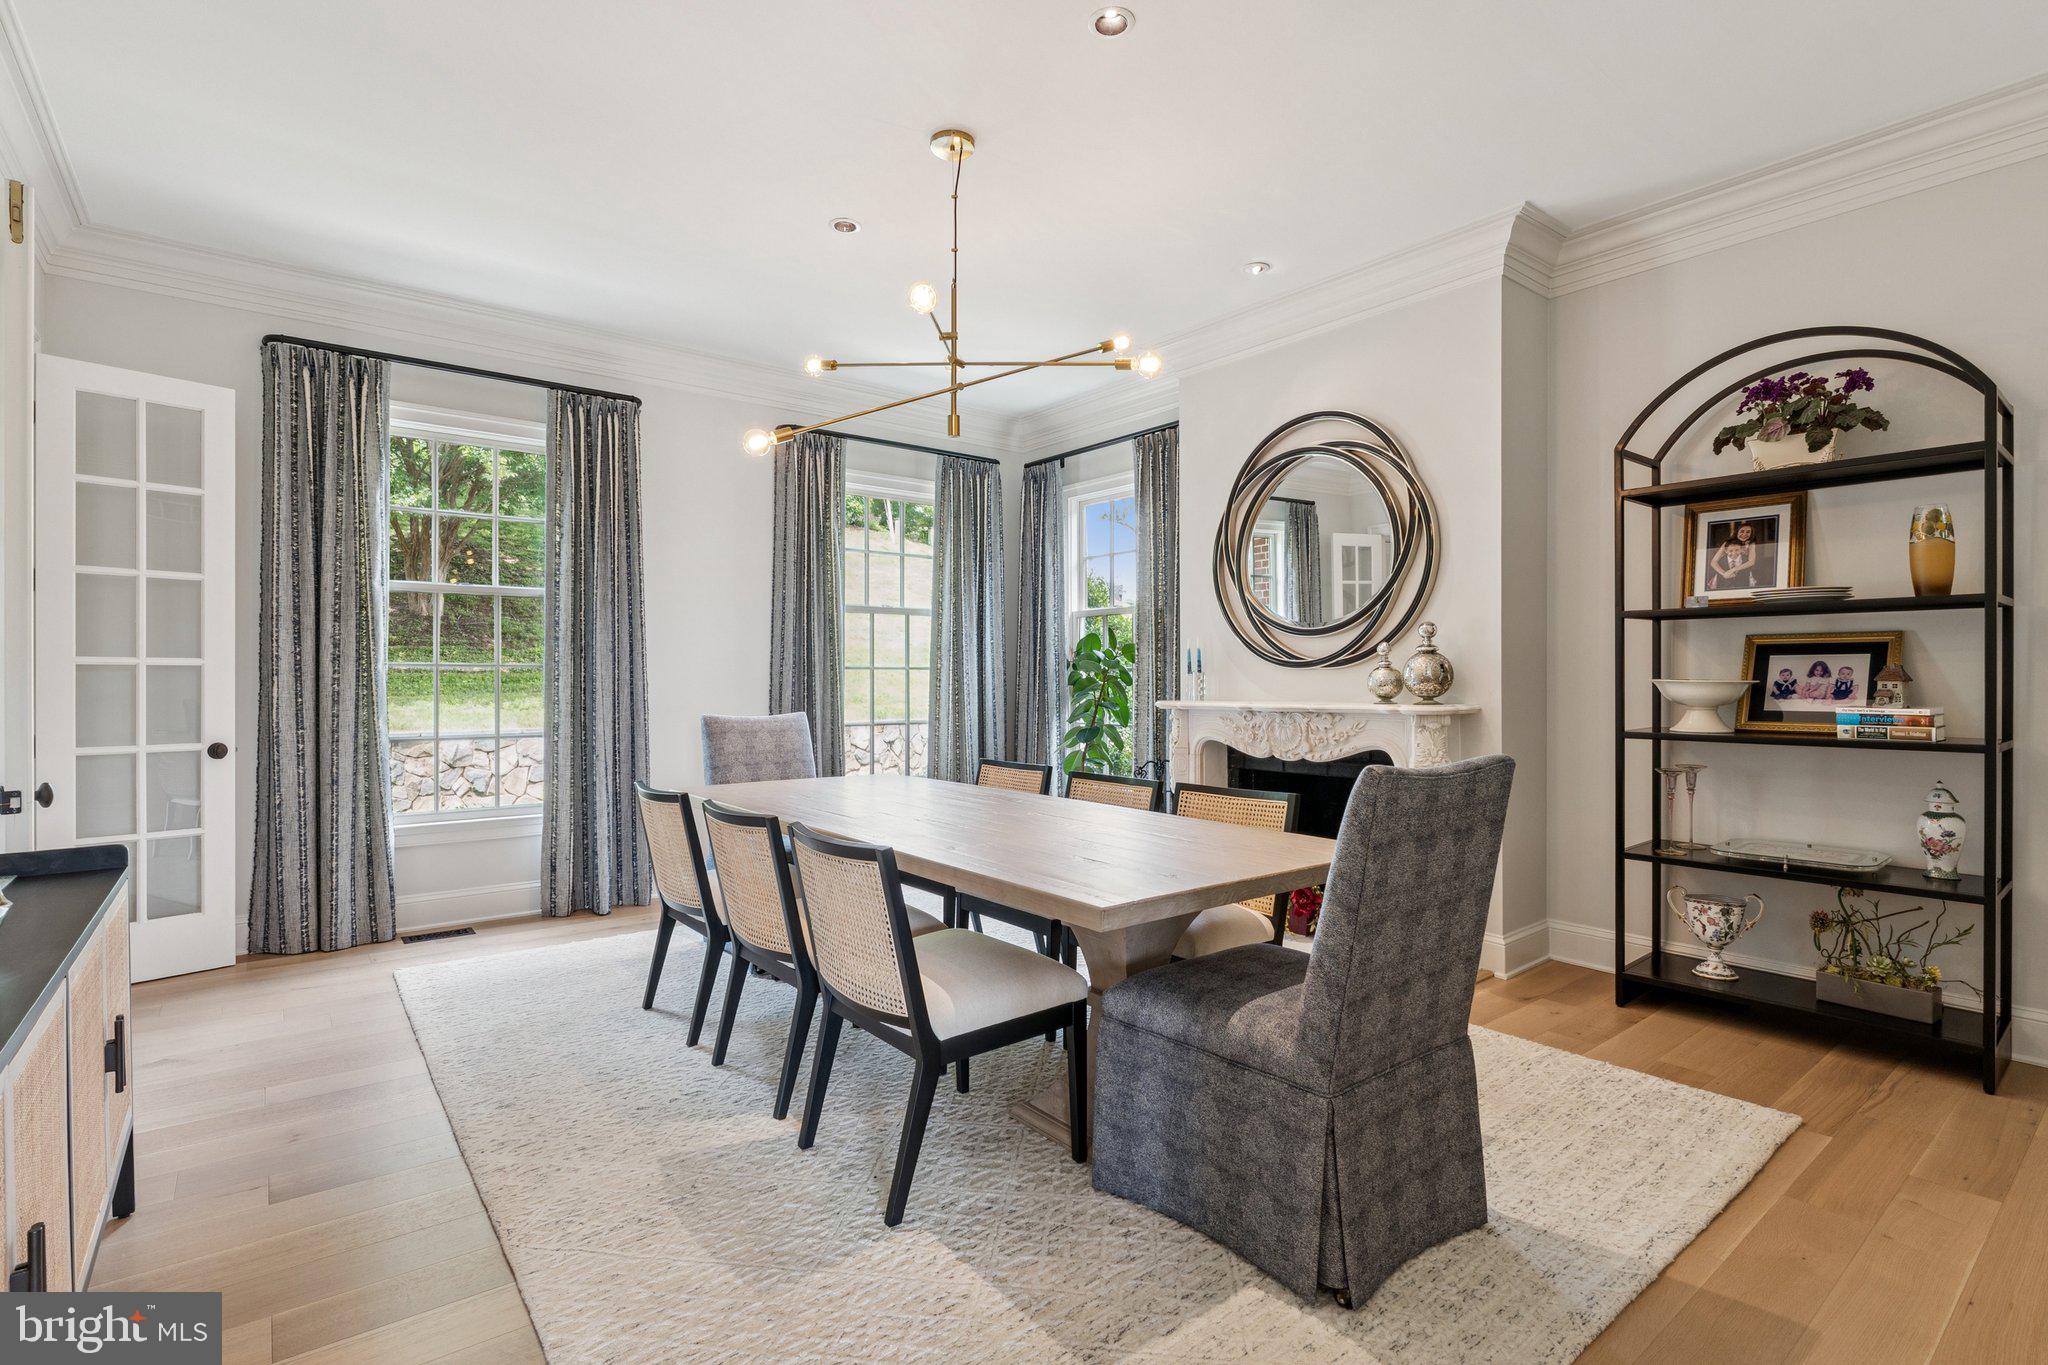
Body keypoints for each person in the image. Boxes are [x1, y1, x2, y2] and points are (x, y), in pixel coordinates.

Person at [1706, 521, 1761, 592]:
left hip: (1742, 575)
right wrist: (1724, 573)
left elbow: (1751, 562)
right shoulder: (1727, 543)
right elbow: (1713, 562)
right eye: (1742, 531)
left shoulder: (1751, 544)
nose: (1744, 534)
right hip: (1724, 574)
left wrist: (1733, 570)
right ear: (1737, 532)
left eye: (1748, 532)